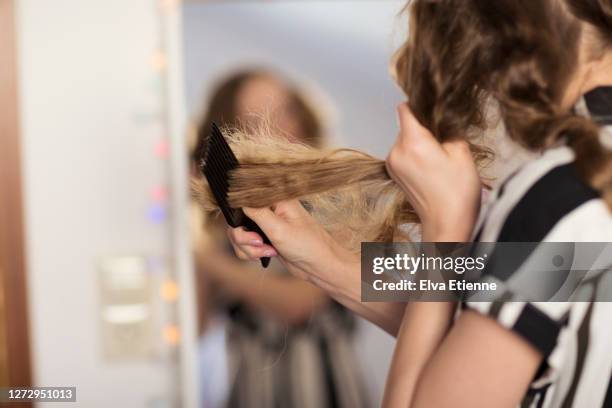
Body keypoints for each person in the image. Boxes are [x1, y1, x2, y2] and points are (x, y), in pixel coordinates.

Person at [225, 1, 612, 407]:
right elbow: (476, 319)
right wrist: (320, 257)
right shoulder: (582, 179)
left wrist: (445, 228)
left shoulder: (556, 191)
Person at [190, 69, 368, 408]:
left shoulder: (343, 201)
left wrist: (205, 259)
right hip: (249, 393)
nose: (279, 130)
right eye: (254, 119)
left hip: (328, 392)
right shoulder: (222, 228)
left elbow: (299, 306)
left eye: (285, 111)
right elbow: (193, 329)